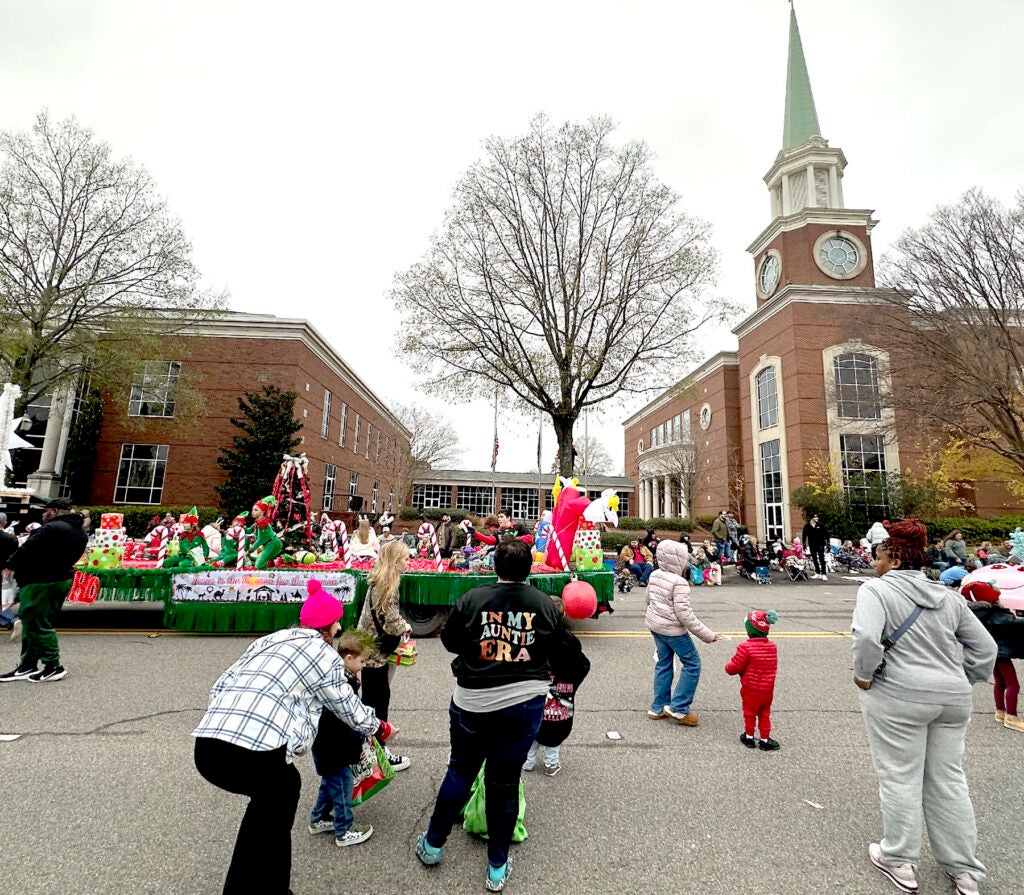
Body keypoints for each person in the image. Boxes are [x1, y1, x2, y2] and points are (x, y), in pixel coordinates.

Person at [193, 580, 394, 894]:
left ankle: (243, 888)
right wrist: (380, 727)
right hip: (253, 751)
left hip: (207, 746)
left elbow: (221, 684)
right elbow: (347, 707)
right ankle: (270, 888)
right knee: (280, 798)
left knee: (271, 804)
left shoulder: (270, 640)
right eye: (337, 623)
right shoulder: (324, 655)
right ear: (327, 627)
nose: (340, 627)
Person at [851, 520, 996, 895]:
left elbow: (867, 638)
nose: (875, 562)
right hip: (952, 698)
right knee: (948, 781)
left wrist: (863, 676)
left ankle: (899, 859)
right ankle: (964, 869)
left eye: (879, 555)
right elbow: (986, 649)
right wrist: (964, 678)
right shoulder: (949, 596)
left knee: (900, 775)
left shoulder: (877, 591)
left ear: (894, 556)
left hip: (899, 695)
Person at [416, 539, 562, 893]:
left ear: (495, 566)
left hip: (473, 702)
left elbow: (450, 641)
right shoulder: (545, 604)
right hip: (524, 702)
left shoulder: (473, 598)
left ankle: (433, 846)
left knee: (460, 770)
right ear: (529, 569)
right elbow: (556, 647)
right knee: (505, 781)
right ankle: (496, 866)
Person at [0, 497, 87, 683]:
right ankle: (27, 665)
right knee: (33, 623)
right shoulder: (80, 531)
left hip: (40, 581)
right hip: (60, 578)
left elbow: (27, 550)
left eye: (46, 511)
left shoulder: (50, 529)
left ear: (55, 511)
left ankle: (53, 666)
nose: (43, 515)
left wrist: (9, 564)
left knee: (38, 624)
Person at [308, 628, 379, 846]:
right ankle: (344, 830)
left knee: (329, 784)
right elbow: (344, 720)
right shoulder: (343, 685)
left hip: (325, 747)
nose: (364, 665)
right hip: (334, 749)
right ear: (349, 658)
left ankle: (318, 818)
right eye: (363, 661)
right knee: (341, 787)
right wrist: (360, 736)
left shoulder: (336, 675)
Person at [644, 539, 718, 726]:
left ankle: (658, 706)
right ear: (678, 560)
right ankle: (679, 707)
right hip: (673, 630)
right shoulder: (679, 582)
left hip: (655, 626)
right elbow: (685, 616)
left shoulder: (654, 575)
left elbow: (648, 600)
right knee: (692, 664)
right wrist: (707, 635)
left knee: (664, 663)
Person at [356, 539, 412, 772]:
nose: (408, 562)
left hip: (367, 647)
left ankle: (369, 747)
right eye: (406, 558)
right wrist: (405, 627)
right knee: (379, 700)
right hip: (376, 652)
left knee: (371, 698)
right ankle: (378, 751)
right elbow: (390, 617)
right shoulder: (389, 584)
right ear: (395, 561)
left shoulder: (376, 580)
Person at [523, 595, 591, 776]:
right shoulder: (568, 640)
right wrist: (571, 684)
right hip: (561, 693)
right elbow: (582, 666)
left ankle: (528, 761)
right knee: (555, 730)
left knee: (531, 727)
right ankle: (551, 763)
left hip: (534, 692)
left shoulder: (530, 639)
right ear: (563, 615)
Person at [961, 580, 1024, 733]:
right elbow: (1016, 624)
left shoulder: (974, 615)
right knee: (1012, 684)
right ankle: (1012, 717)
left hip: (990, 654)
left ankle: (1000, 711)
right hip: (1001, 653)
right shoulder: (995, 615)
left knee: (1000, 682)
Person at [726, 609, 780, 751]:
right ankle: (764, 739)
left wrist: (728, 668)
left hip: (750, 689)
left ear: (750, 631)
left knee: (749, 712)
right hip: (767, 689)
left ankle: (749, 737)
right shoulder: (772, 647)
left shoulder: (746, 647)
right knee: (765, 713)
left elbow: (735, 666)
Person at [802, 513, 829, 581]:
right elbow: (804, 535)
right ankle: (817, 572)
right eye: (815, 517)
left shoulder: (820, 525)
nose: (817, 519)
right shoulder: (807, 526)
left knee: (821, 558)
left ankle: (824, 574)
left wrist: (828, 543)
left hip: (820, 543)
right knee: (814, 558)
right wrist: (804, 544)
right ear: (812, 518)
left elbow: (826, 534)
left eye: (817, 517)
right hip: (812, 544)